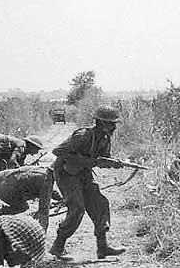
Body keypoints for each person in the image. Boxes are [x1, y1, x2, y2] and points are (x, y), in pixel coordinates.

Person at [49, 107, 126, 260]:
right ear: (101, 123)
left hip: (83, 173)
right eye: (111, 124)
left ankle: (102, 247)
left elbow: (102, 159)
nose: (114, 128)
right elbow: (58, 151)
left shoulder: (105, 139)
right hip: (65, 173)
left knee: (100, 203)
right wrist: (89, 161)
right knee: (77, 207)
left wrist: (112, 163)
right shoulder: (83, 136)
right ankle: (57, 247)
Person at [0, 165, 61, 231]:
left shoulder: (42, 169)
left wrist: (61, 198)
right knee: (23, 207)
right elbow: (43, 212)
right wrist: (42, 234)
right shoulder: (47, 180)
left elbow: (51, 191)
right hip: (6, 189)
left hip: (0, 177)